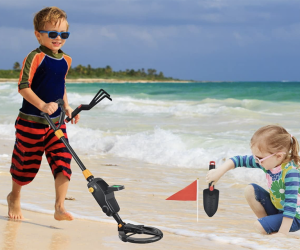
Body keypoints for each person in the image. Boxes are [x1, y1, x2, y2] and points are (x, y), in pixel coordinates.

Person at [7, 6, 79, 221]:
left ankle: (59, 206)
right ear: (38, 34)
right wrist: (42, 105)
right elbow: (23, 86)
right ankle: (15, 196)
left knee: (63, 161)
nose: (59, 39)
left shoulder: (66, 60)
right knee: (24, 165)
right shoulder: (34, 57)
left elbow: (61, 85)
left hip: (56, 123)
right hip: (31, 122)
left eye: (64, 34)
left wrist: (67, 107)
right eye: (53, 34)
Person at [206, 125, 300, 237]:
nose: (256, 161)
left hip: (294, 216)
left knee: (258, 226)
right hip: (279, 210)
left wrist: (282, 234)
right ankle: (268, 227)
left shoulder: (291, 172)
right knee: (250, 190)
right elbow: (238, 160)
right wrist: (219, 172)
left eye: (259, 158)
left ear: (279, 156)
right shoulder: (267, 162)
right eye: (255, 157)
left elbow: (291, 206)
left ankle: (268, 229)